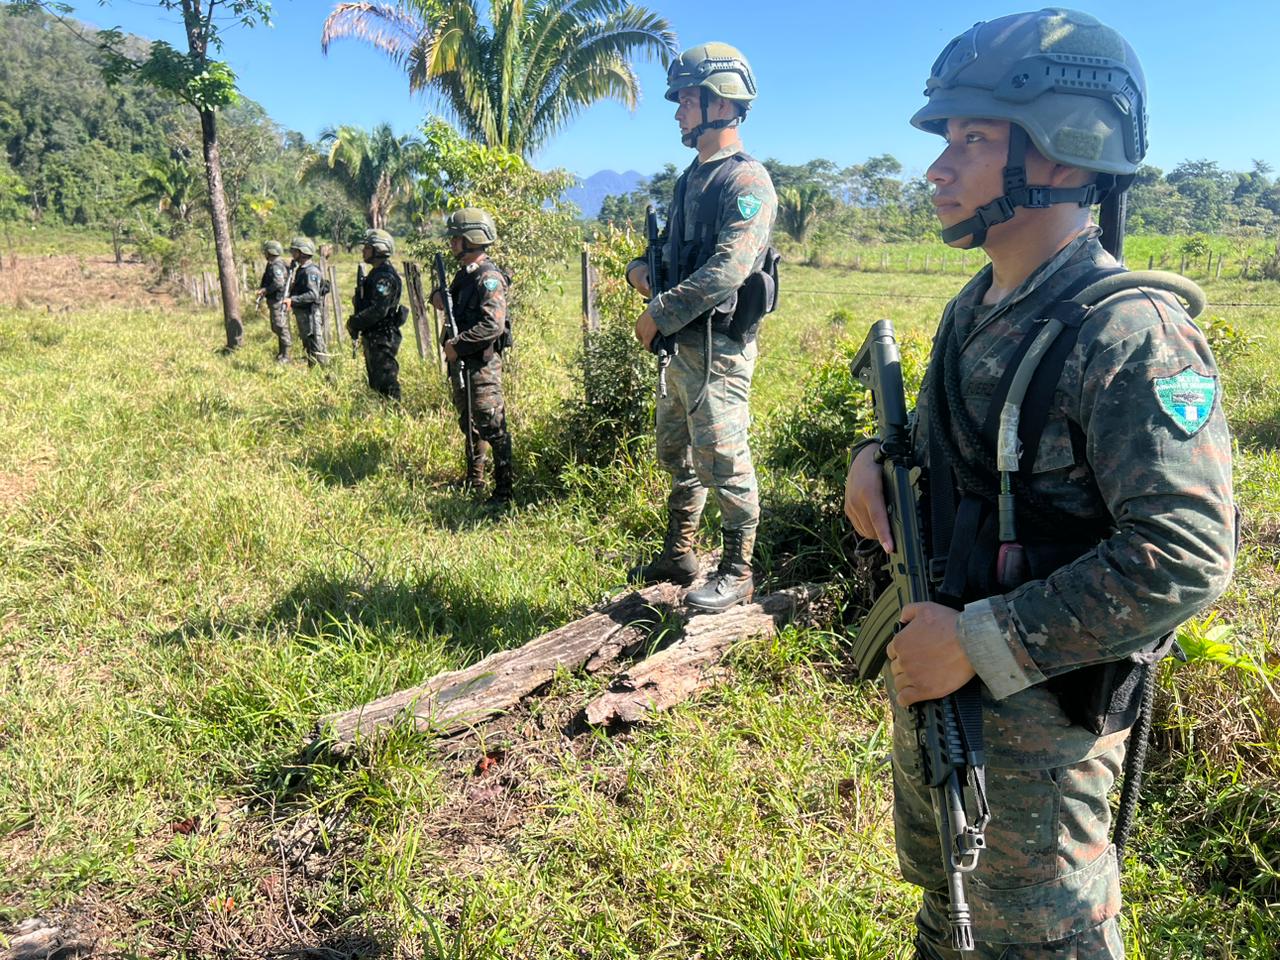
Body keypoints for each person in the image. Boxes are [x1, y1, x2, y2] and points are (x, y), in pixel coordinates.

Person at [842, 10, 1236, 959]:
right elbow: (953, 459)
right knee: (950, 919)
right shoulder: (974, 307)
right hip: (948, 715)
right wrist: (872, 458)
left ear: (1062, 152)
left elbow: (1187, 556)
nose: (938, 168)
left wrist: (979, 641)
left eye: (972, 140)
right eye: (946, 139)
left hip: (1040, 749)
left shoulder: (1132, 335)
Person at [624, 41, 778, 614]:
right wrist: (640, 271)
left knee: (724, 457)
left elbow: (729, 270)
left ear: (722, 104)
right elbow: (668, 253)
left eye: (687, 100)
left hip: (718, 347)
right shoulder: (689, 180)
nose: (678, 112)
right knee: (677, 452)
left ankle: (738, 570)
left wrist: (658, 311)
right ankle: (680, 553)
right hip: (681, 348)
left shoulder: (746, 181)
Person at [430, 208, 513, 506]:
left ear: (472, 239)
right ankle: (474, 478)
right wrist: (437, 297)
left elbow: (493, 325)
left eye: (457, 239)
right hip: (462, 362)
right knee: (469, 422)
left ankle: (504, 492)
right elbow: (448, 299)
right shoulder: (465, 275)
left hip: (481, 363)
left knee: (492, 424)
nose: (452, 244)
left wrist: (459, 345)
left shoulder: (488, 278)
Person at [347, 228, 405, 400]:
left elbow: (379, 310)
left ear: (379, 249)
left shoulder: (384, 277)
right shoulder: (376, 273)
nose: (363, 251)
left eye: (367, 247)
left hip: (382, 335)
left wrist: (355, 322)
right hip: (374, 334)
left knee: (386, 381)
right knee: (376, 382)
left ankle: (394, 410)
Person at [282, 236, 328, 366]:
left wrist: (292, 300)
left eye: (294, 251)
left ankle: (324, 372)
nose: (292, 253)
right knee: (308, 345)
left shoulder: (311, 271)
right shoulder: (301, 270)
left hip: (310, 315)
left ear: (302, 252)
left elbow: (313, 294)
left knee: (316, 345)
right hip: (303, 315)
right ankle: (313, 370)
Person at [255, 240, 292, 363]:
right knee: (276, 327)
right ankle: (282, 353)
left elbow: (279, 282)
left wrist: (266, 290)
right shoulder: (273, 263)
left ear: (270, 252)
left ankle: (286, 356)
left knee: (280, 326)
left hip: (278, 300)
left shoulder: (276, 265)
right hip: (275, 300)